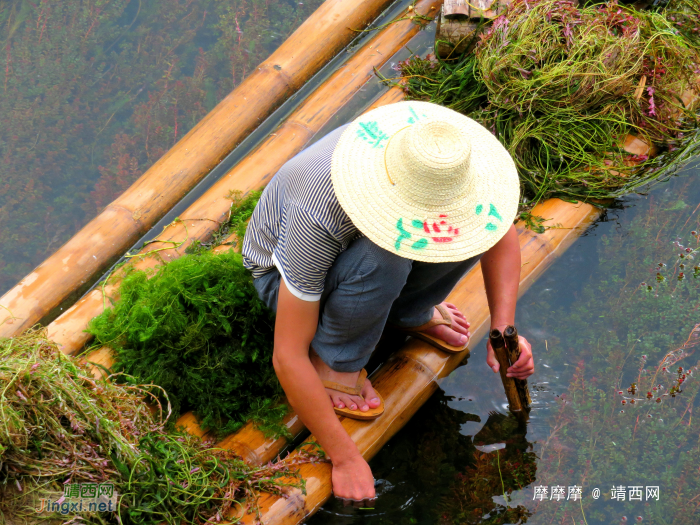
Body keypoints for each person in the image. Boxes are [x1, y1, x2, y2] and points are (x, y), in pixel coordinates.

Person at [242, 100, 534, 503]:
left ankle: (404, 310)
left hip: (362, 250)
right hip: (281, 274)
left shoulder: (437, 155)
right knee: (386, 256)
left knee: (467, 228)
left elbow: (496, 228)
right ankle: (335, 358)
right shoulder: (318, 214)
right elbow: (286, 356)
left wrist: (504, 328)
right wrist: (344, 457)